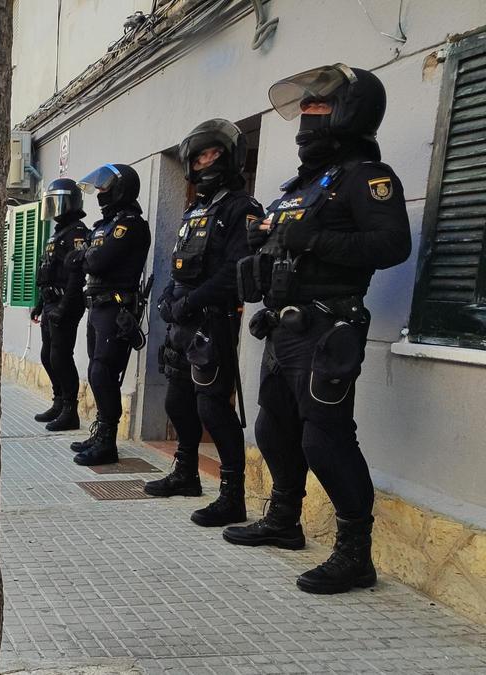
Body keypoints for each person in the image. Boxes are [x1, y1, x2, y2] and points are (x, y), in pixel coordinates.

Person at [222, 64, 410, 595]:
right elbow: (280, 245)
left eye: (317, 107)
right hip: (283, 327)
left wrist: (315, 242)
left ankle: (355, 555)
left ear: (349, 113)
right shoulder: (301, 186)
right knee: (272, 428)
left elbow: (393, 246)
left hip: (329, 326)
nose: (306, 118)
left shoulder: (367, 178)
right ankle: (284, 519)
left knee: (325, 439)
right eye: (302, 109)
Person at [143, 119, 265, 528]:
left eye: (213, 154)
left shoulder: (241, 208)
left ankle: (233, 496)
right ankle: (186, 473)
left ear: (228, 158)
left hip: (213, 321)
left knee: (213, 407)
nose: (205, 162)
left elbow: (234, 270)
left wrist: (191, 301)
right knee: (178, 401)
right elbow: (180, 267)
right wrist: (167, 298)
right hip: (183, 323)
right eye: (199, 157)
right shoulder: (196, 209)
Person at [69, 164, 151, 466]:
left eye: (104, 188)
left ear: (120, 189)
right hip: (98, 305)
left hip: (117, 306)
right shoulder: (104, 224)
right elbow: (83, 258)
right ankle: (100, 431)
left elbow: (97, 260)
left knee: (104, 372)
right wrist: (85, 258)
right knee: (95, 370)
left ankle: (108, 442)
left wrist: (86, 258)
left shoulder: (129, 224)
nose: (100, 194)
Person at [32, 178, 92, 432]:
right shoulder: (59, 233)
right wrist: (39, 303)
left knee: (60, 356)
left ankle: (70, 410)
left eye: (59, 202)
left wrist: (63, 307)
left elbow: (76, 276)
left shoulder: (78, 232)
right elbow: (48, 271)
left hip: (66, 303)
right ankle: (58, 401)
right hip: (50, 302)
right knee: (48, 356)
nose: (55, 207)